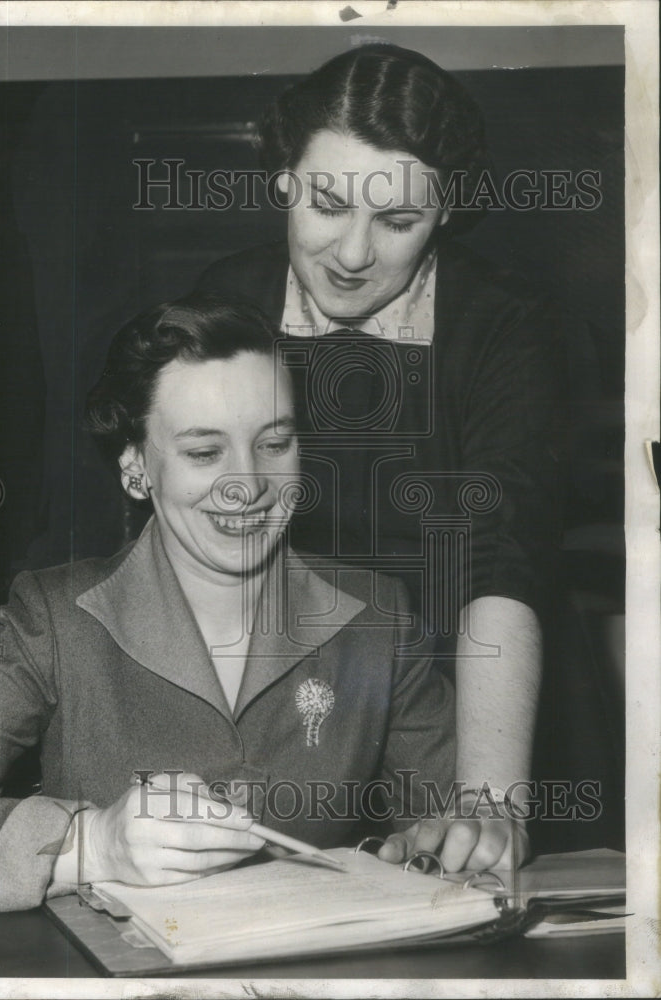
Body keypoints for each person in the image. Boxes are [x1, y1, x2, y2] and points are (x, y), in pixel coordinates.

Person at [0, 295, 475, 914]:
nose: (249, 485)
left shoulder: (378, 616)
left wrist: (449, 844)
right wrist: (90, 845)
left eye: (274, 443)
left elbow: (452, 823)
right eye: (204, 453)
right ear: (136, 465)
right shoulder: (55, 619)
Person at [196, 44, 566, 861]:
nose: (354, 254)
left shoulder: (505, 323)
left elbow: (501, 562)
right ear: (284, 179)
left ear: (445, 214)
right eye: (327, 204)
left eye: (398, 221)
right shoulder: (218, 305)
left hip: (468, 704)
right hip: (282, 707)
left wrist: (487, 807)